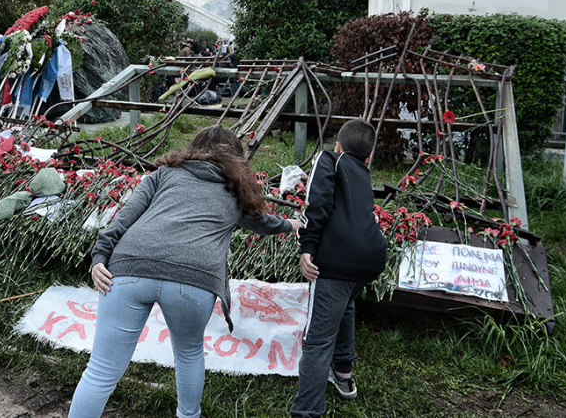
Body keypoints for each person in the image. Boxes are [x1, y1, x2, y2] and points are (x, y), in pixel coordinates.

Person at [69, 125, 301, 418]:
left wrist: (99, 257)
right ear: (237, 159)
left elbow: (122, 220)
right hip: (194, 281)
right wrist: (290, 224)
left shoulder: (161, 175)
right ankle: (188, 415)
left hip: (128, 270)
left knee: (101, 370)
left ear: (194, 148)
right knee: (189, 353)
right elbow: (263, 223)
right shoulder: (235, 191)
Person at [291, 119, 387, 416]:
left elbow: (315, 205)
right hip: (371, 258)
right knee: (345, 304)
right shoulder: (363, 172)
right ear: (369, 157)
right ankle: (343, 372)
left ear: (337, 146)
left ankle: (306, 413)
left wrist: (307, 247)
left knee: (316, 342)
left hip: (337, 259)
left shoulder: (328, 159)